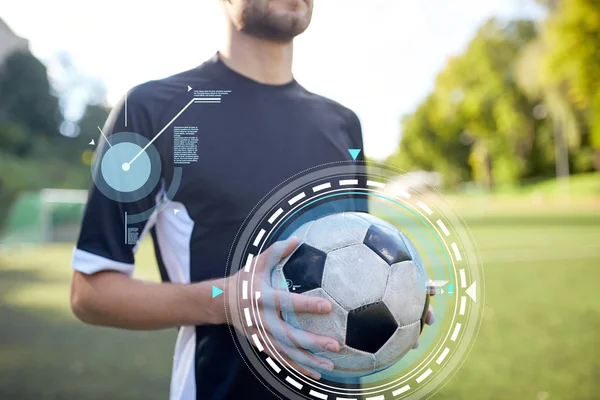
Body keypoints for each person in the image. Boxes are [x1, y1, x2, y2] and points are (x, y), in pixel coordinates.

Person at [70, 0, 434, 399]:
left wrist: (400, 297)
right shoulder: (151, 111)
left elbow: (355, 264)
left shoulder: (344, 124)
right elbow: (90, 293)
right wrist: (225, 301)